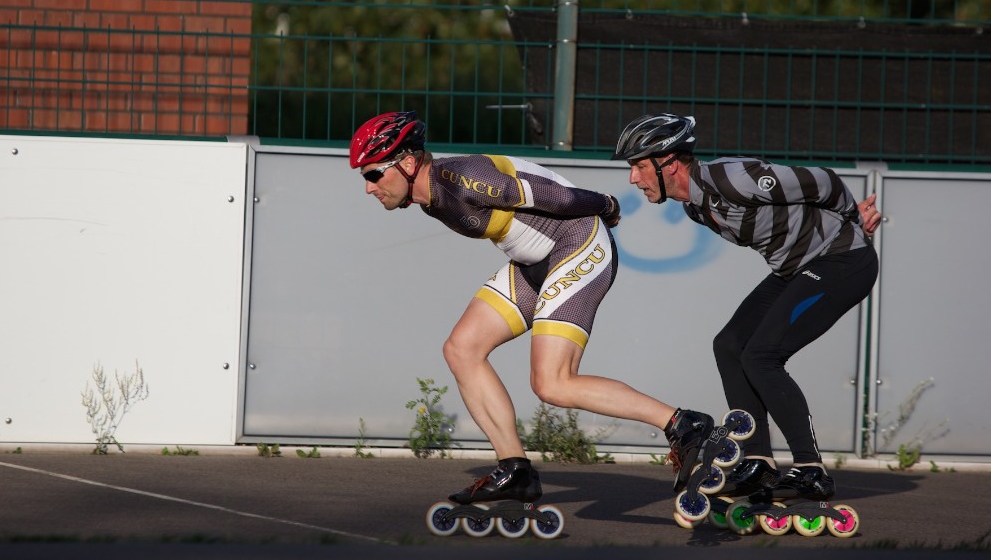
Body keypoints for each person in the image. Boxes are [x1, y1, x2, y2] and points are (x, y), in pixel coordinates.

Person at [350, 110, 718, 504]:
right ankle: (515, 470)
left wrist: (607, 204)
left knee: (552, 382)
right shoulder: (430, 197)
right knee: (461, 350)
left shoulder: (460, 178)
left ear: (407, 163)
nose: (369, 188)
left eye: (374, 174)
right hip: (534, 261)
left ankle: (682, 423)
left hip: (577, 243)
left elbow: (556, 197)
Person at [613, 113, 882, 501]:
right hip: (795, 270)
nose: (633, 178)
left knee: (761, 356)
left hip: (842, 261)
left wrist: (855, 222)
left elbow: (825, 182)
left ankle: (811, 470)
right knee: (729, 345)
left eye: (639, 166)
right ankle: (759, 463)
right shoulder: (695, 208)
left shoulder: (733, 178)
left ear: (669, 163)